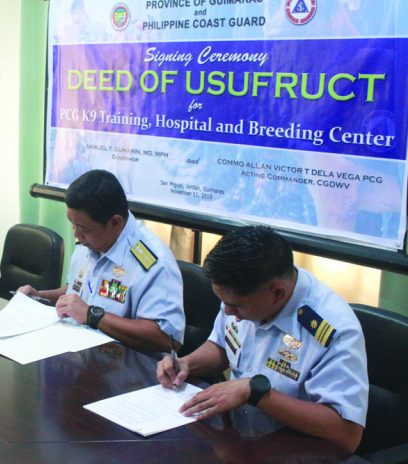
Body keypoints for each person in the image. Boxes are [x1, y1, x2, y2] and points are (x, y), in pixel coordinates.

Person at [156, 226, 368, 453]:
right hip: (238, 438)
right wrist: (187, 363)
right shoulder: (242, 293)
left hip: (293, 450)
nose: (227, 312)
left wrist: (256, 393)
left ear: (277, 293)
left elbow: (347, 434)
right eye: (223, 302)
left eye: (235, 306)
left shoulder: (331, 329)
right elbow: (221, 346)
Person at [19, 169, 184, 353]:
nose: (75, 233)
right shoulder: (89, 243)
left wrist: (93, 315)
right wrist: (39, 296)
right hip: (83, 355)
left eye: (83, 228)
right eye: (72, 224)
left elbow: (167, 338)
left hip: (132, 369)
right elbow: (78, 293)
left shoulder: (153, 263)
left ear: (115, 223)